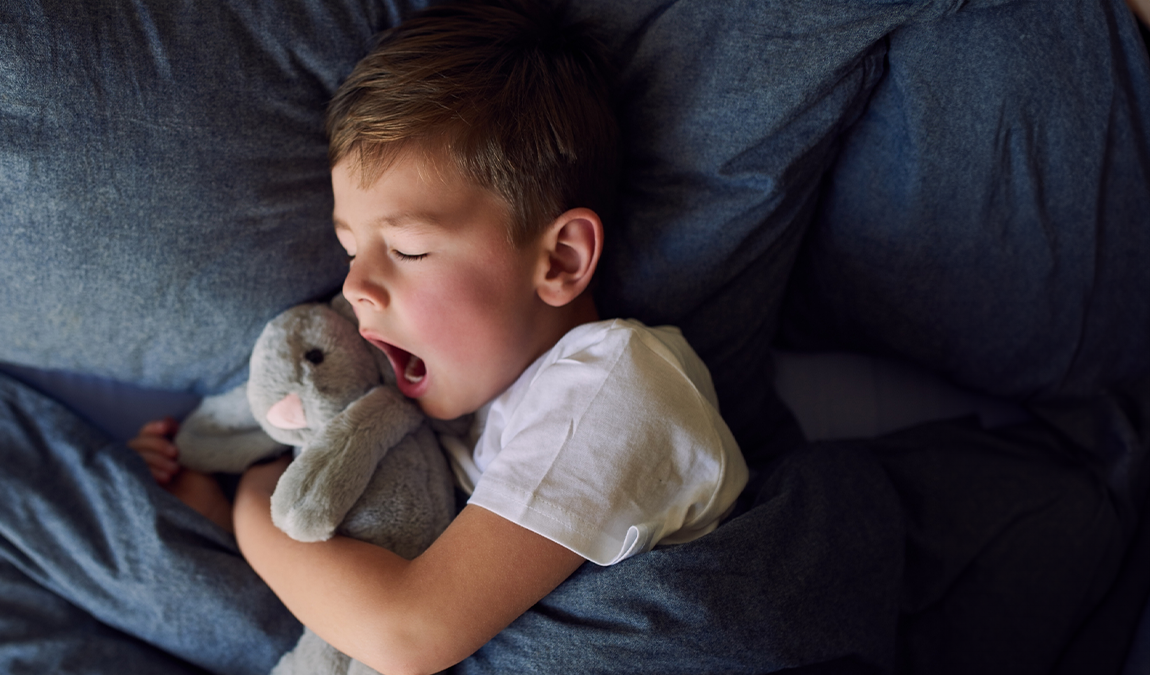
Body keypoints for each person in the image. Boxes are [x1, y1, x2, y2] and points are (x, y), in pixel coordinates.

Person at [131, 1, 750, 672]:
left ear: (562, 258)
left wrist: (254, 500)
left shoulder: (616, 384)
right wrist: (209, 506)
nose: (358, 286)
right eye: (350, 248)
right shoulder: (446, 411)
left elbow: (408, 632)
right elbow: (360, 589)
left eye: (408, 248)